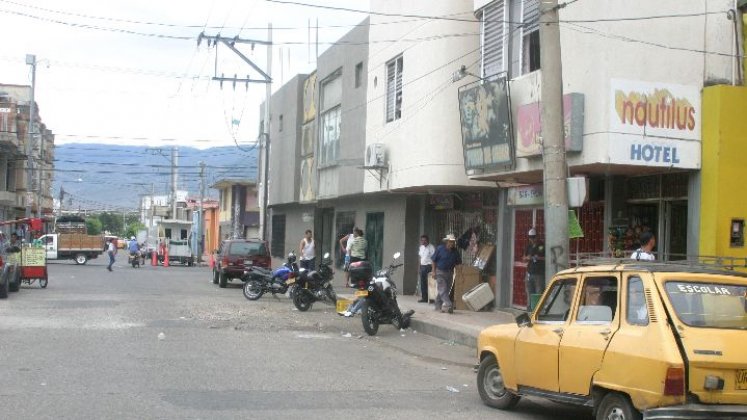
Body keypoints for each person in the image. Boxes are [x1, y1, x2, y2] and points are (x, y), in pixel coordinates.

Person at [430, 234, 462, 314]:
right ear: (447, 242)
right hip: (440, 271)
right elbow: (433, 260)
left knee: (445, 290)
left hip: (450, 273)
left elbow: (458, 263)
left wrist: (460, 274)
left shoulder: (455, 251)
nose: (452, 243)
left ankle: (437, 306)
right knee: (443, 289)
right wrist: (433, 271)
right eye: (450, 242)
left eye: (453, 242)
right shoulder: (440, 249)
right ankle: (448, 304)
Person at [523, 228, 546, 300]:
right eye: (530, 237)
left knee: (538, 291)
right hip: (530, 272)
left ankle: (538, 309)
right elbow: (523, 258)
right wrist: (527, 258)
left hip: (538, 273)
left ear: (537, 236)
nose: (532, 239)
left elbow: (545, 258)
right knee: (529, 291)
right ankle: (530, 308)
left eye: (533, 237)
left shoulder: (541, 245)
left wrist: (537, 257)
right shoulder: (528, 246)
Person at [417, 235, 435, 303]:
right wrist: (419, 267)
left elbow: (434, 259)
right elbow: (420, 258)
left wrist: (433, 269)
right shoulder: (421, 247)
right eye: (422, 240)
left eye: (424, 240)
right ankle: (424, 298)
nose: (423, 242)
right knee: (423, 283)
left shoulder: (431, 247)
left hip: (429, 266)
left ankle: (431, 298)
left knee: (429, 283)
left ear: (428, 240)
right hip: (422, 266)